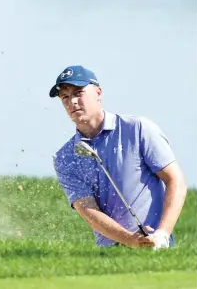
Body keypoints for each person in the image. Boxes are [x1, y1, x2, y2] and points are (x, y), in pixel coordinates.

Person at [50, 65, 188, 249]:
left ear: (98, 93)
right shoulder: (65, 157)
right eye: (65, 97)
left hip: (156, 244)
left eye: (78, 92)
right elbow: (87, 209)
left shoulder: (137, 129)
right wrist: (129, 239)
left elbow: (175, 181)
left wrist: (162, 234)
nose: (72, 101)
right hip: (111, 253)